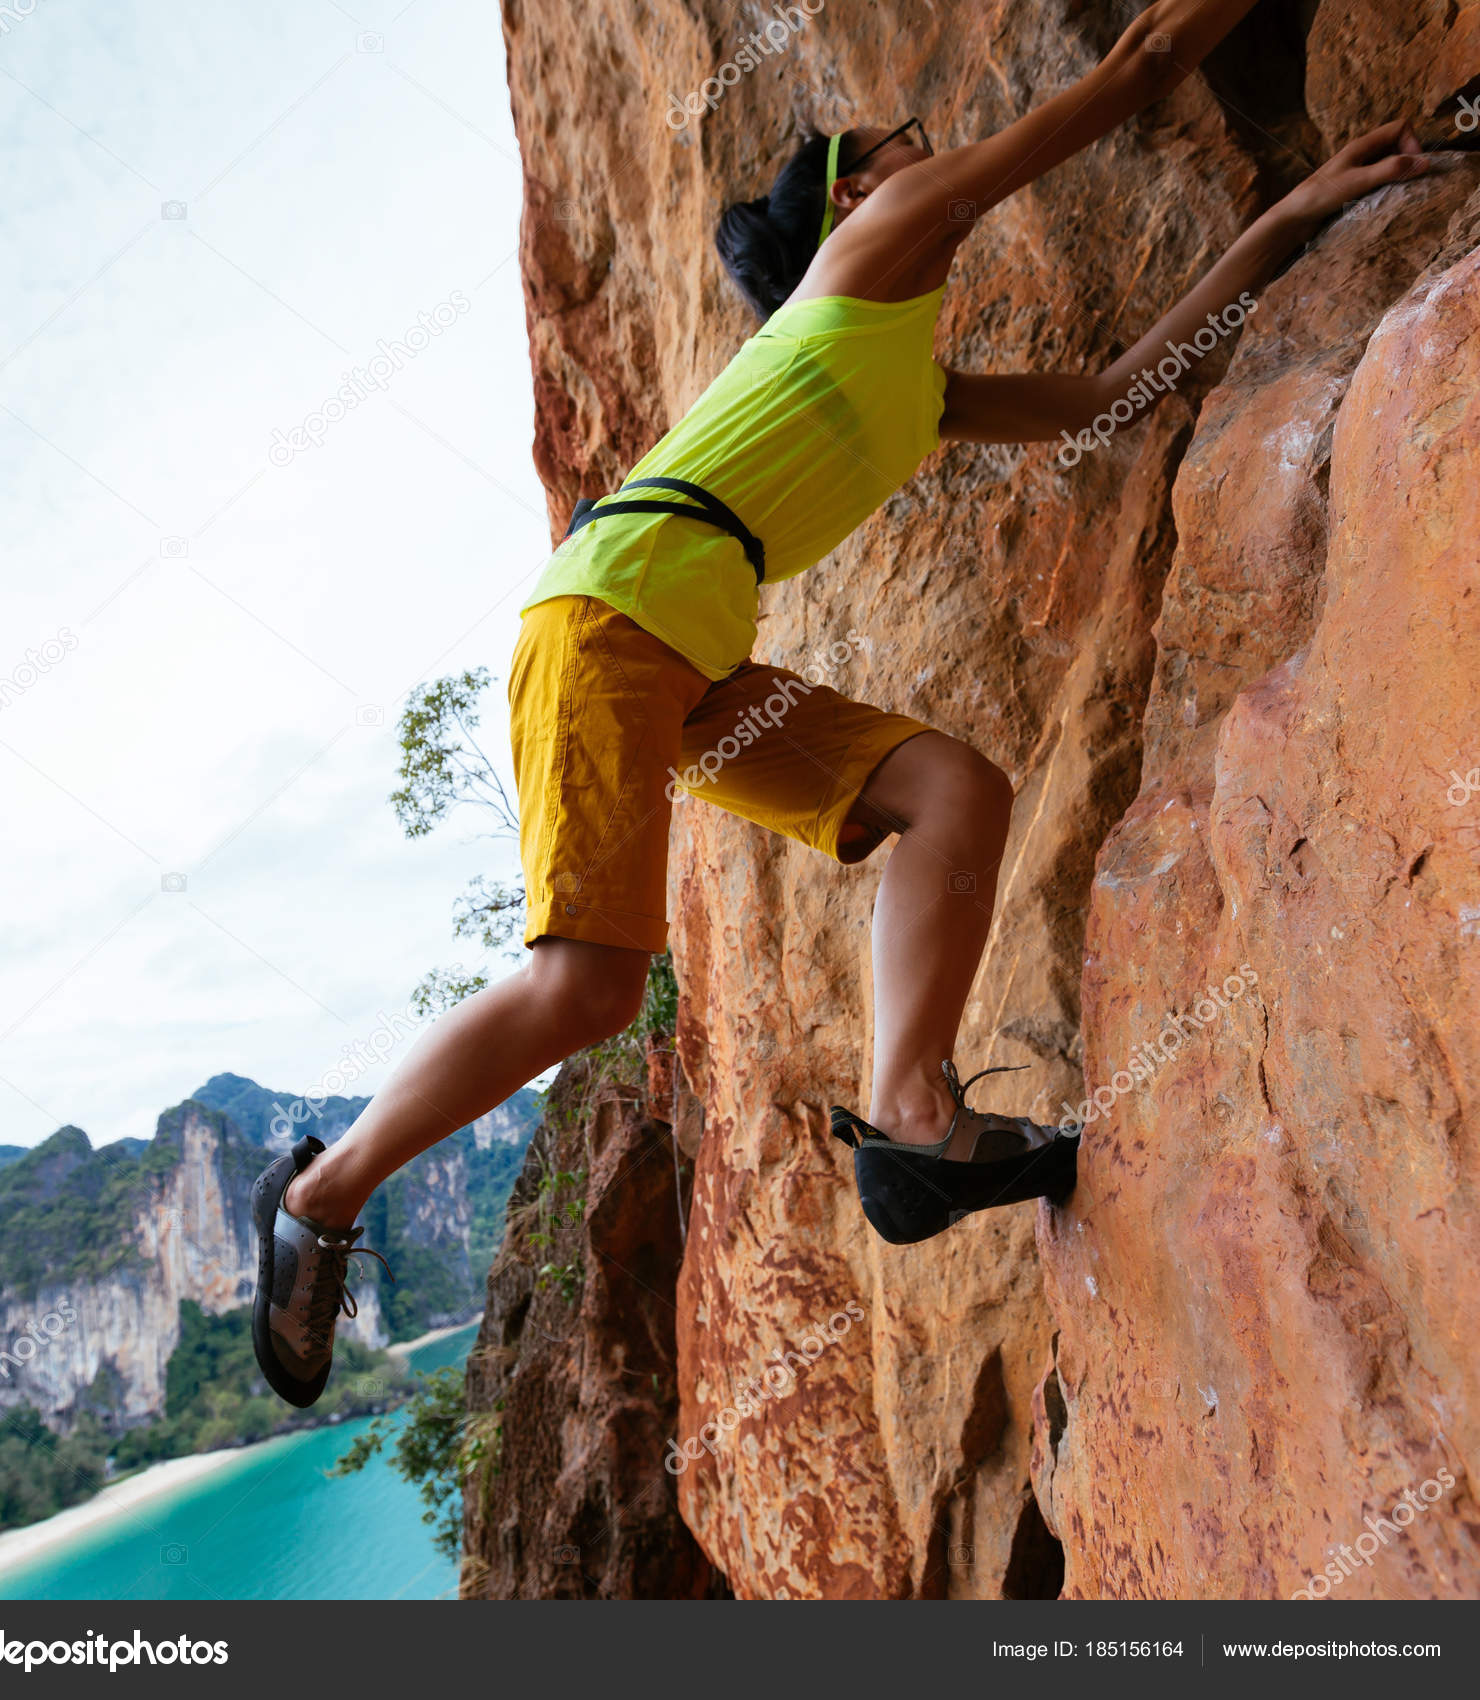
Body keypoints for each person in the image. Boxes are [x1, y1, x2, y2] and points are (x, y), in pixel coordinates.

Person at [252, 0, 1435, 1404]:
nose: (926, 144)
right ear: (852, 194)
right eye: (894, 142)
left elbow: (1117, 396)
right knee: (589, 987)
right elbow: (1142, 63)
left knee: (955, 793)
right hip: (610, 620)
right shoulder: (869, 251)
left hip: (693, 660)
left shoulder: (910, 387)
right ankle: (319, 1197)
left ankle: (912, 1117)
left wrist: (1297, 206)